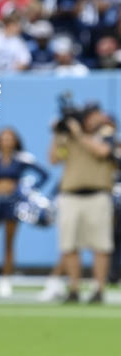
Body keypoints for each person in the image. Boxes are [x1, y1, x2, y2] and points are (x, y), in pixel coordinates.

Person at [47, 104, 116, 303]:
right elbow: (53, 159)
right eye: (94, 116)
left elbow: (102, 152)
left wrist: (78, 135)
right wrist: (57, 134)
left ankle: (98, 289)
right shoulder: (69, 136)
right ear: (85, 118)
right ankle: (74, 289)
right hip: (70, 196)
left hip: (98, 195)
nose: (99, 119)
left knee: (101, 245)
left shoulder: (107, 133)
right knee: (68, 244)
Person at [0, 128, 49, 297]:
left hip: (12, 204)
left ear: (16, 141)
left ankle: (5, 281)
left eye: (10, 138)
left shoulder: (23, 158)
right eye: (4, 138)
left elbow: (44, 174)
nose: (6, 141)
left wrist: (27, 189)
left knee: (9, 243)